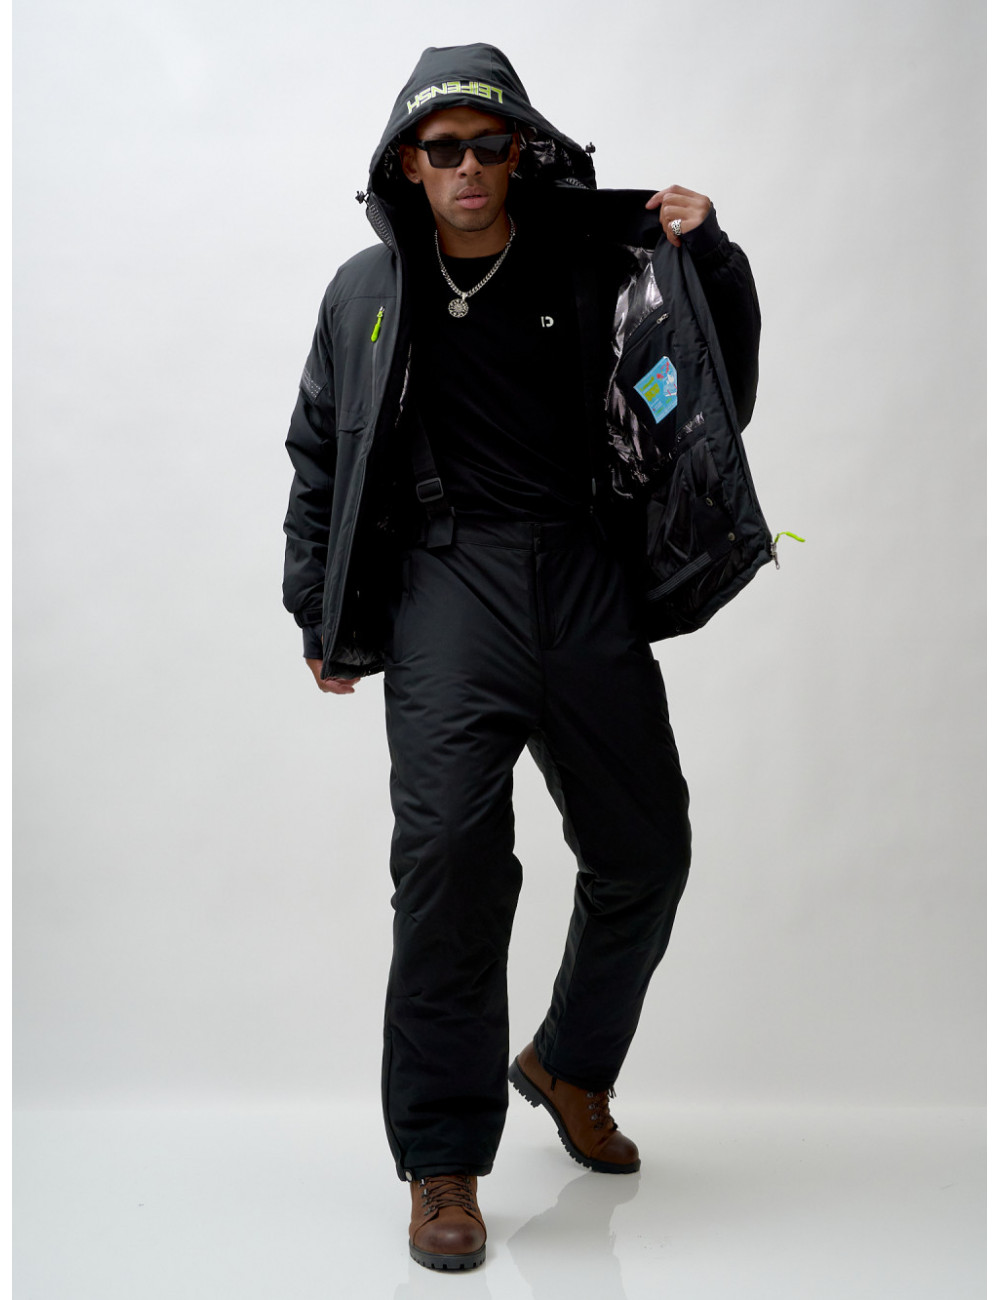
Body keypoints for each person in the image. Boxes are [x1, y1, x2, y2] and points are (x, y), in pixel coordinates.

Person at [281, 43, 768, 1272]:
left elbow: (711, 382)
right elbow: (320, 452)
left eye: (488, 145)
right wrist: (318, 611)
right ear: (407, 163)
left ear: (518, 152)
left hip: (583, 573)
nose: (467, 167)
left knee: (645, 852)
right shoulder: (364, 291)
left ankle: (569, 1063)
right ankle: (441, 1159)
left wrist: (710, 255)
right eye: (443, 148)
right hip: (448, 581)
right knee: (450, 861)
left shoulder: (593, 264)